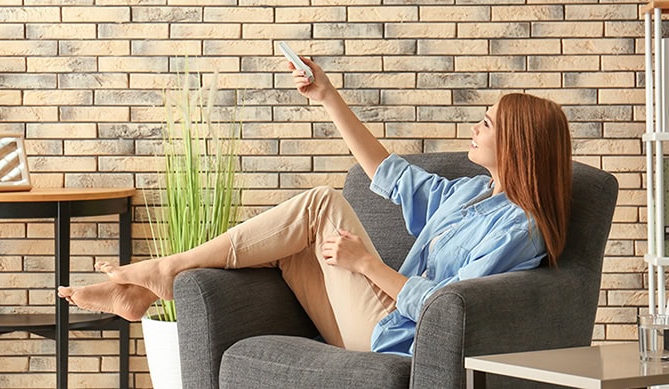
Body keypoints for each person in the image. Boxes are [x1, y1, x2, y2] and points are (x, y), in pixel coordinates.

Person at [58, 57, 572, 356]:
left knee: (323, 202)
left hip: (400, 334)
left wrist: (366, 264)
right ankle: (147, 293)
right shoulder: (470, 193)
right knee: (291, 241)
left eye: (488, 122)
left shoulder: (518, 230)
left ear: (519, 143)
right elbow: (388, 173)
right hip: (381, 313)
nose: (477, 126)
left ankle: (164, 272)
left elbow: (449, 309)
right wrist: (327, 97)